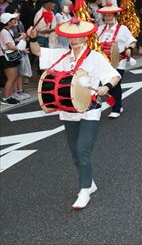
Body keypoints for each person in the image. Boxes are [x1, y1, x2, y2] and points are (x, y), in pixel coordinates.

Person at [27, 19, 120, 209]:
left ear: (85, 37)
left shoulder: (95, 57)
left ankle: (84, 190)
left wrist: (106, 87)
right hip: (68, 110)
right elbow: (37, 51)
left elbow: (115, 75)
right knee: (74, 153)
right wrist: (33, 38)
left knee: (82, 149)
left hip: (90, 109)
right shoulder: (62, 56)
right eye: (71, 37)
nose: (75, 40)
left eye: (78, 37)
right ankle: (90, 182)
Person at [96, 2, 137, 118]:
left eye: (110, 15)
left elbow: (132, 41)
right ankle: (117, 104)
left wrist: (129, 48)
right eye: (106, 15)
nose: (108, 18)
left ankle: (116, 108)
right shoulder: (100, 29)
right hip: (103, 62)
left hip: (118, 62)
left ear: (115, 15)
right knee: (107, 85)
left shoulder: (123, 29)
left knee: (114, 84)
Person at [1, 13, 27, 105]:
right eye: (12, 19)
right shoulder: (4, 32)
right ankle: (5, 98)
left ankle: (10, 96)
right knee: (11, 78)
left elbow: (12, 42)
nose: (14, 20)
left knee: (13, 77)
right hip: (6, 58)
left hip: (10, 57)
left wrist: (20, 39)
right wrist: (21, 45)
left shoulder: (9, 31)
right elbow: (10, 46)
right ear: (8, 22)